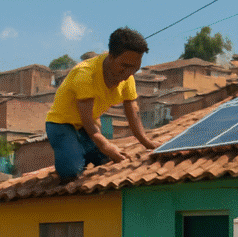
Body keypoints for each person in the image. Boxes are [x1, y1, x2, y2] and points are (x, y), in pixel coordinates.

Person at [46, 27, 157, 182]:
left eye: (134, 68)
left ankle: (80, 150)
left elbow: (132, 110)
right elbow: (87, 121)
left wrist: (146, 141)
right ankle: (72, 155)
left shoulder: (128, 78)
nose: (128, 73)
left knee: (108, 160)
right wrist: (105, 145)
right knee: (72, 171)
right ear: (110, 56)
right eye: (124, 66)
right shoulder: (85, 74)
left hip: (87, 129)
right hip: (61, 125)